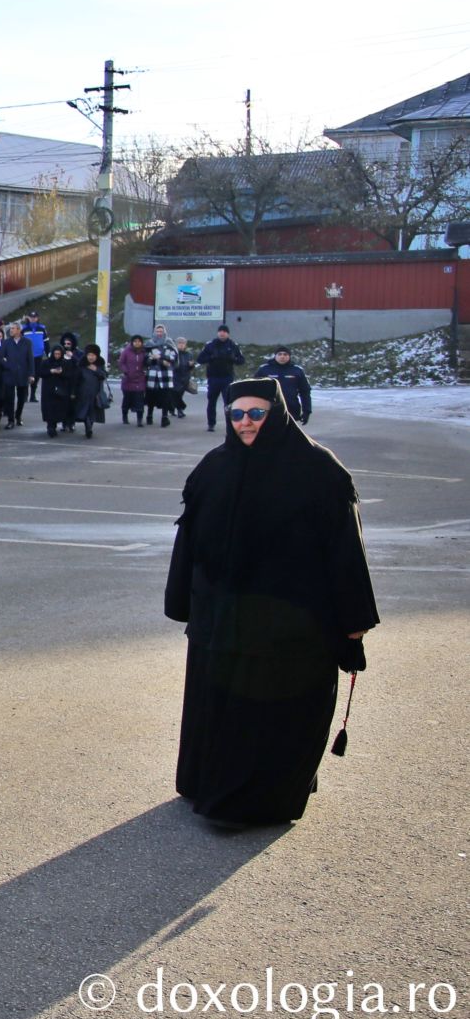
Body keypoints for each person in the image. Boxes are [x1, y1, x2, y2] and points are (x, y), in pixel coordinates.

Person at [165, 378, 378, 827]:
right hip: (222, 620)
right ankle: (208, 783)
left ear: (278, 413)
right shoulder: (214, 466)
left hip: (292, 627)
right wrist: (185, 602)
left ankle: (250, 803)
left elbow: (345, 550)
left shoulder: (319, 470)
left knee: (276, 712)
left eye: (256, 413)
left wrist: (353, 620)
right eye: (237, 414)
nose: (245, 423)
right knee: (220, 705)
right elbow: (188, 542)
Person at [196, 324, 246, 432]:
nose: (222, 333)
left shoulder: (233, 345)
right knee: (211, 401)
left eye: (224, 331)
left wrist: (233, 359)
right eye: (220, 331)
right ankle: (211, 423)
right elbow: (200, 359)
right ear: (217, 333)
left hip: (227, 378)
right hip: (213, 378)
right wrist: (211, 357)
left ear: (228, 334)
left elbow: (241, 360)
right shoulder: (210, 345)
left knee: (228, 403)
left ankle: (231, 425)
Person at [257, 346, 312, 424]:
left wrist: (307, 411)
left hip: (291, 409)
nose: (282, 356)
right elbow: (254, 389)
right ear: (275, 356)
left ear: (289, 356)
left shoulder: (297, 371)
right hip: (269, 410)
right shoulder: (264, 370)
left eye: (285, 354)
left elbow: (305, 392)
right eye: (279, 354)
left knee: (288, 434)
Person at [0, 323, 33, 429]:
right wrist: (8, 365)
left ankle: (18, 416)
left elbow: (30, 359)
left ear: (19, 330)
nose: (11, 330)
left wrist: (31, 374)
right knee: (9, 398)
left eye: (13, 328)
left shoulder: (27, 342)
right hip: (9, 374)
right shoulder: (6, 343)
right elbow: (0, 358)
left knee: (22, 397)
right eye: (10, 329)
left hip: (22, 374)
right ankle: (10, 420)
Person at [37, 345, 75, 438]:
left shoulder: (65, 363)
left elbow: (70, 375)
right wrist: (51, 371)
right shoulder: (46, 362)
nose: (57, 356)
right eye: (55, 354)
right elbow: (40, 373)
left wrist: (61, 373)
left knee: (59, 409)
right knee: (49, 409)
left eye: (59, 354)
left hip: (61, 390)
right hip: (48, 390)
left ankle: (58, 425)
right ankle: (51, 427)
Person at [145, 327, 177, 427]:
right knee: (151, 396)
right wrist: (161, 360)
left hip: (165, 375)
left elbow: (173, 357)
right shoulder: (149, 344)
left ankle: (164, 417)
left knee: (166, 397)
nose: (159, 333)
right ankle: (149, 416)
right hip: (153, 375)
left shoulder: (169, 343)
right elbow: (147, 359)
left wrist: (160, 358)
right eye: (157, 331)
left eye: (161, 331)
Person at [75, 344, 108, 439]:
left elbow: (104, 376)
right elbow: (76, 379)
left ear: (96, 356)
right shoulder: (81, 365)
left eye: (93, 355)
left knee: (93, 412)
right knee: (85, 412)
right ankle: (87, 427)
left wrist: (96, 370)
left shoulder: (100, 365)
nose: (91, 357)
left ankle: (89, 427)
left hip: (95, 393)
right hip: (83, 393)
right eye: (89, 355)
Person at [118, 335, 148, 427]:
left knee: (140, 400)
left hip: (140, 379)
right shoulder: (126, 351)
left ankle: (139, 420)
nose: (137, 343)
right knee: (127, 399)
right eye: (135, 341)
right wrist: (126, 371)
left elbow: (147, 363)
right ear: (132, 342)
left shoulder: (144, 352)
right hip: (128, 379)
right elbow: (121, 363)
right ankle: (125, 416)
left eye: (139, 341)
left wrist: (146, 369)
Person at [173, 337, 194, 419]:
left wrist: (191, 365)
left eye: (183, 343)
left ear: (185, 344)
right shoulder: (174, 353)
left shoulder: (189, 354)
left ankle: (177, 409)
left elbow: (191, 367)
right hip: (175, 377)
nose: (181, 345)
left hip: (185, 377)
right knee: (175, 394)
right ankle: (180, 409)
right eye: (179, 343)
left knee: (180, 394)